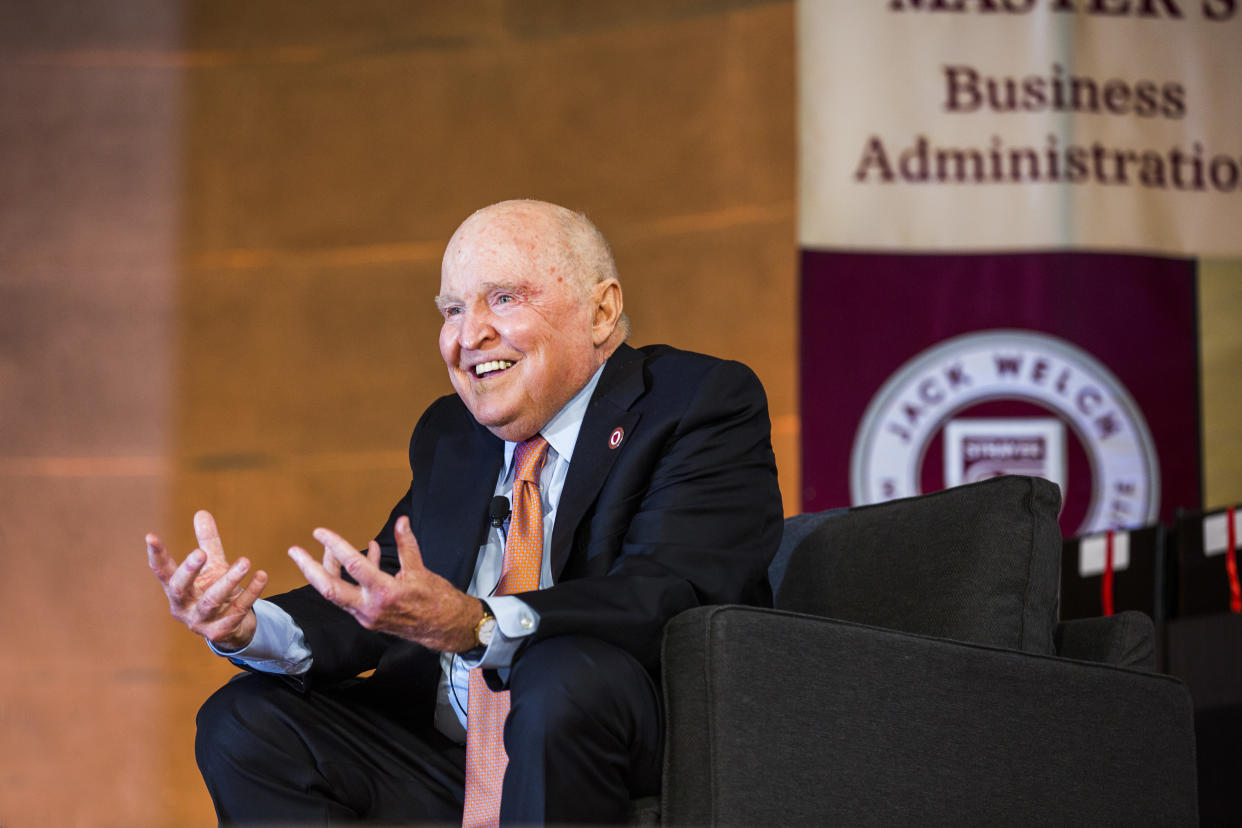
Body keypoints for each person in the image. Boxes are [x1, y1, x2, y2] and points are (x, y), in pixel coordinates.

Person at [146, 199, 783, 825]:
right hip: (449, 760)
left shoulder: (696, 403)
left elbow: (671, 592)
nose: (468, 335)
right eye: (452, 309)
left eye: (503, 298)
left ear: (601, 310)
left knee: (559, 675)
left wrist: (479, 625)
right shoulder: (453, 434)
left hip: (606, 744)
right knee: (247, 721)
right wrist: (246, 627)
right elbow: (390, 588)